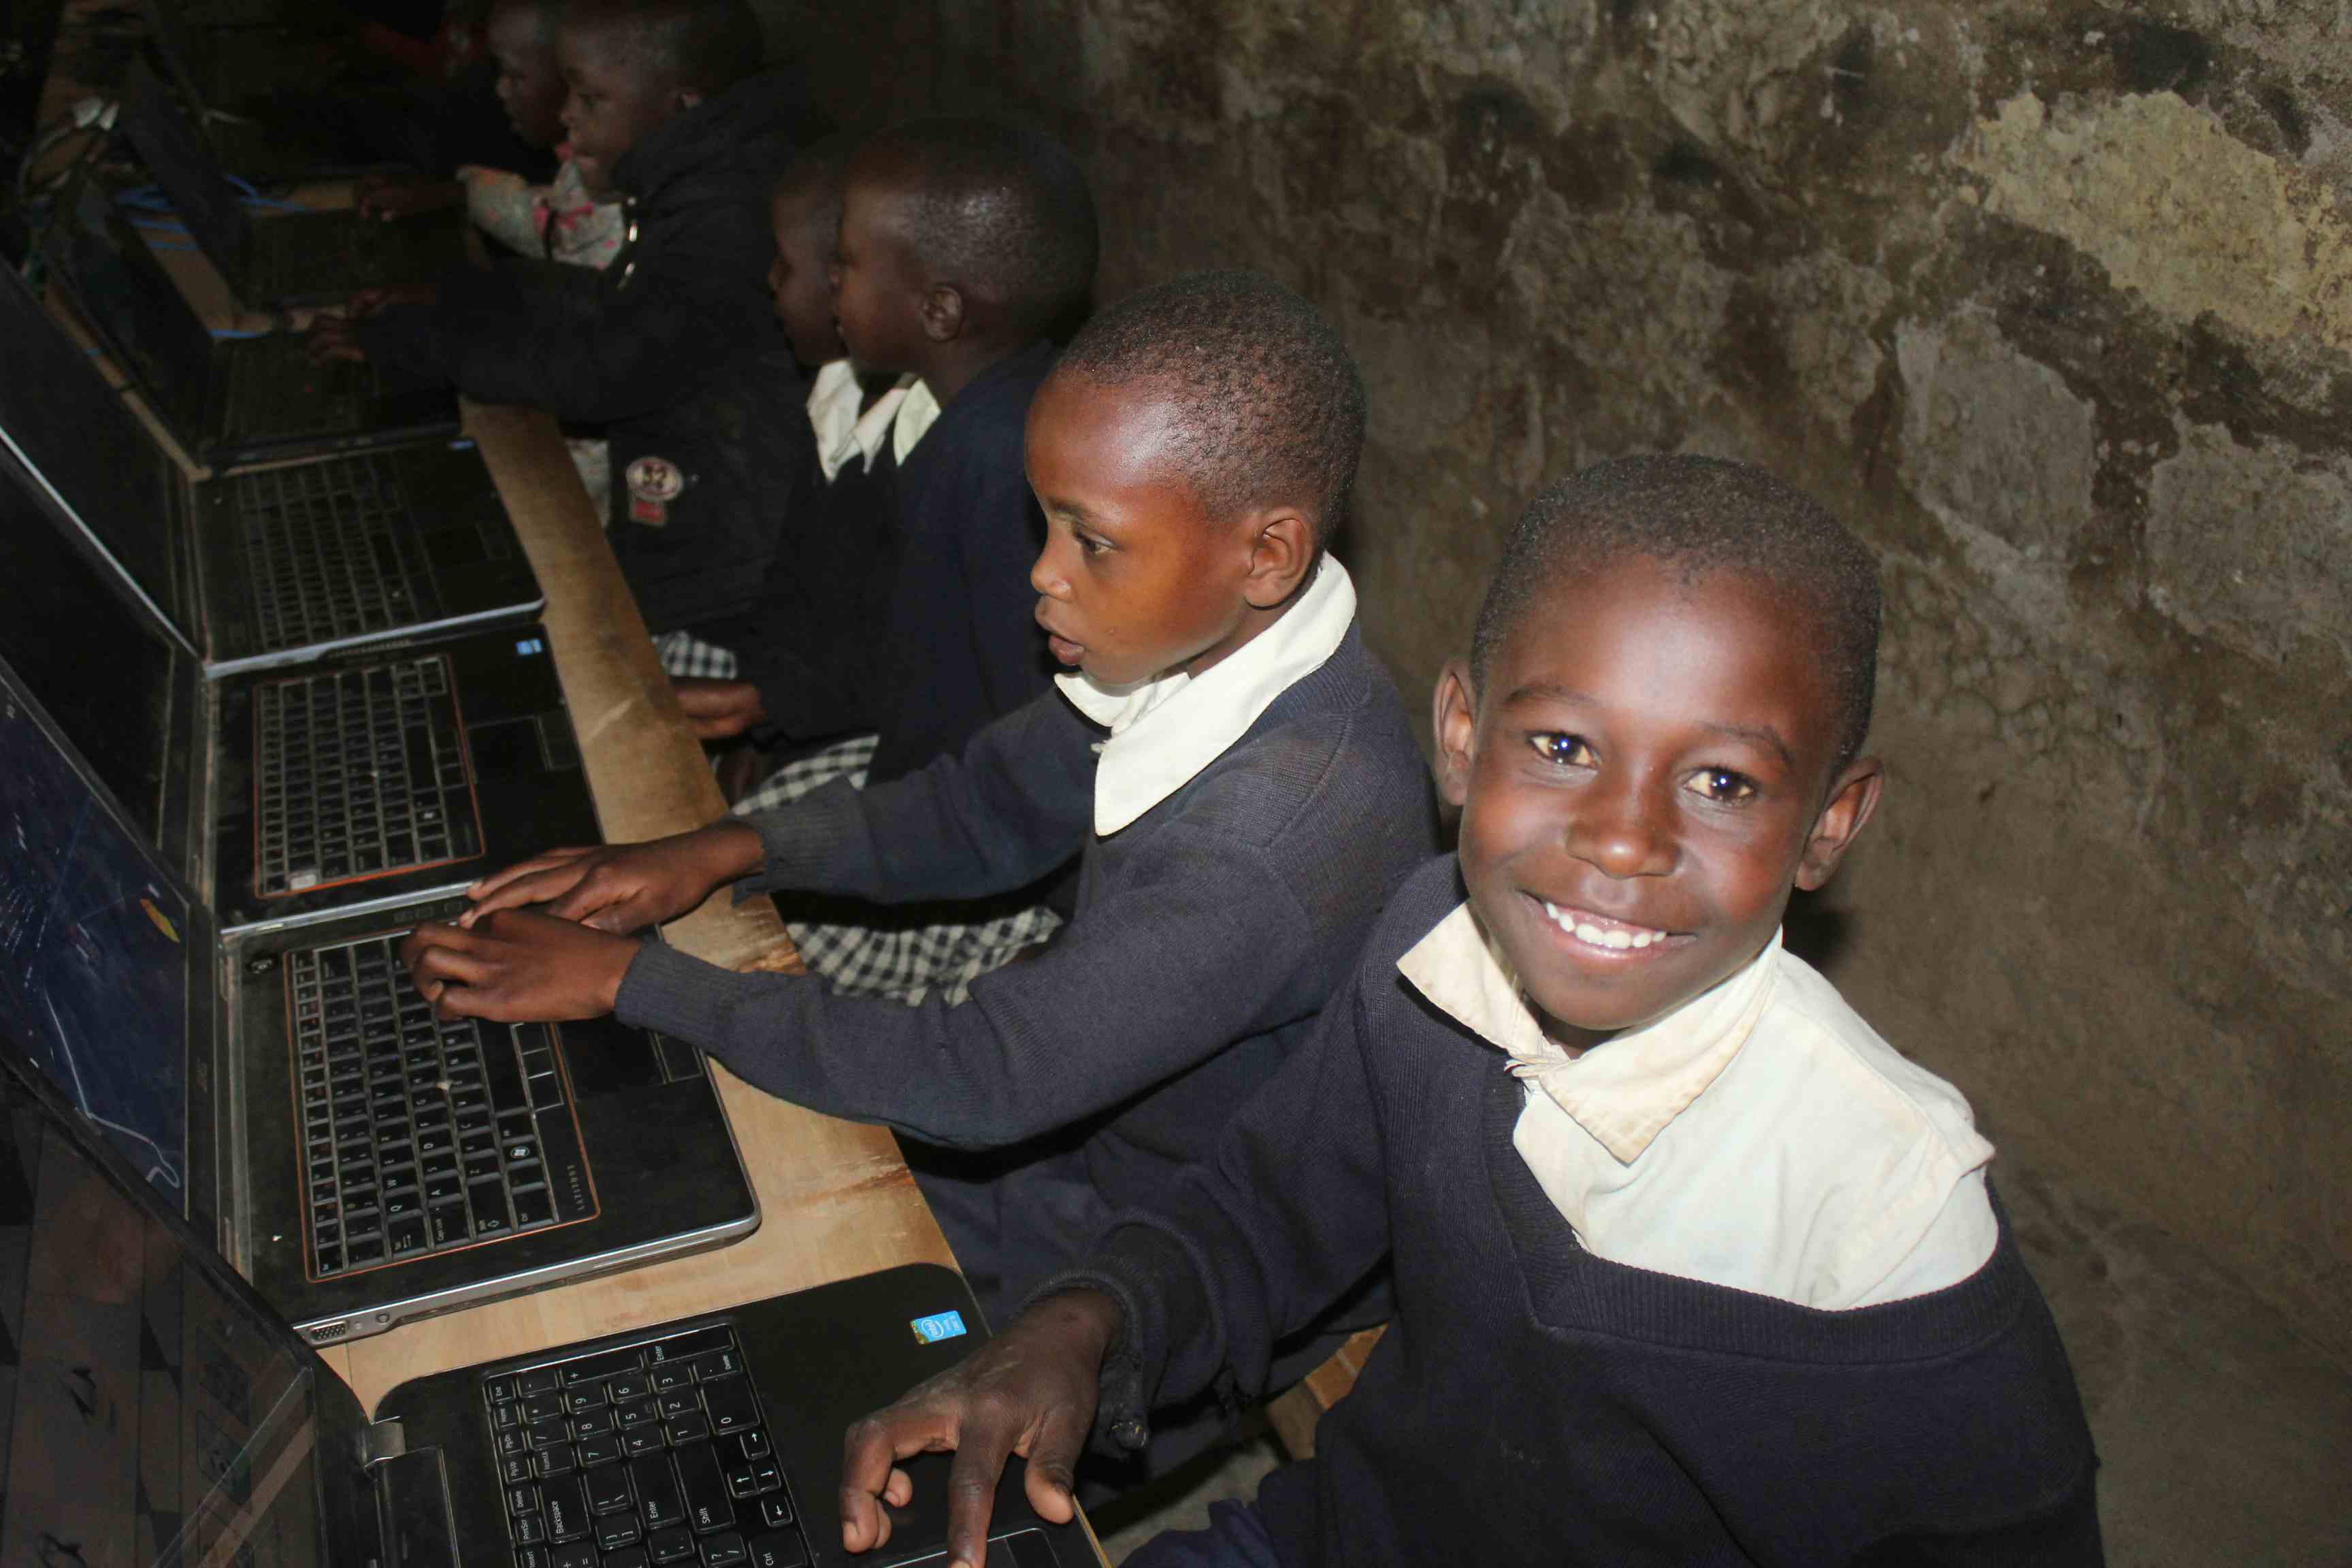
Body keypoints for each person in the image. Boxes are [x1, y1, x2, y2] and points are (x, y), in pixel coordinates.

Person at [833, 455, 2105, 1568]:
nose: (1621, 837)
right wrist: (1083, 1321)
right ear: (1459, 736)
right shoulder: (1437, 954)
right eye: (1561, 746)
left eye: (1722, 780)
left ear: (1827, 824)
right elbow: (1263, 1210)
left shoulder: (1881, 1219)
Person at [399, 276, 1439, 1397]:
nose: (1043, 571)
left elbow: (985, 1073)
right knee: (680, 1159)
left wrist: (636, 980)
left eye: (1092, 541)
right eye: (1046, 520)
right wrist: (722, 847)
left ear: (1267, 553)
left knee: (690, 1304)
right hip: (1080, 1138)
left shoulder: (1264, 837)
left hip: (1156, 1257)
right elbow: (981, 807)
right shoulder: (1212, 645)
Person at [623, 113, 1105, 1003]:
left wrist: (1071, 939)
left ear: (940, 310)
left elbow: (1041, 747)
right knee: (688, 866)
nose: (828, 284)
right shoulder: (964, 428)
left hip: (987, 864)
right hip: (928, 792)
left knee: (709, 957)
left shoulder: (1000, 463)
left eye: (842, 266)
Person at [309, 0, 821, 643]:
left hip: (719, 578)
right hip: (703, 532)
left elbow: (611, 366)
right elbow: (613, 303)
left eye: (590, 97)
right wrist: (453, 300)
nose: (568, 114)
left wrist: (431, 345)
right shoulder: (706, 178)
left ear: (680, 101)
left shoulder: (724, 213)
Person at [656, 135, 909, 785]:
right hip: (800, 697)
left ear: (841, 286)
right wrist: (763, 724)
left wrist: (774, 709)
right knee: (625, 678)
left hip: (885, 727)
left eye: (784, 265)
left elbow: (904, 658)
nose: (769, 282)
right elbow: (790, 588)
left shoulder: (928, 447)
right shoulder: (833, 391)